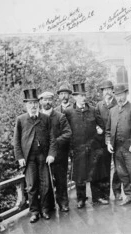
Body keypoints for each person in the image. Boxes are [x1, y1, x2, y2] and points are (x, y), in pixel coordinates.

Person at [13, 88, 57, 223]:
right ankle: (34, 212)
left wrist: (51, 154)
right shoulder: (21, 120)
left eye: (34, 103)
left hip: (44, 157)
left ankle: (45, 209)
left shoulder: (45, 118)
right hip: (29, 158)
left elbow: (52, 138)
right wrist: (20, 157)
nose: (33, 106)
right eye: (30, 103)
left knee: (45, 184)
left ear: (38, 104)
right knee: (31, 185)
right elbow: (16, 140)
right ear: (26, 105)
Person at [64, 83, 105, 208]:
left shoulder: (93, 110)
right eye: (79, 96)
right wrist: (71, 149)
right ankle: (81, 199)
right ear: (75, 97)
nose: (83, 98)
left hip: (93, 148)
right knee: (79, 176)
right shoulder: (69, 112)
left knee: (94, 174)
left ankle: (97, 197)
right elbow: (66, 131)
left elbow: (102, 127)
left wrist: (98, 134)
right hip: (78, 149)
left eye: (84, 95)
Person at [106, 84, 131, 208]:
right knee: (122, 174)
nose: (119, 98)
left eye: (121, 95)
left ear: (126, 94)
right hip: (117, 149)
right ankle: (129, 195)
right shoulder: (112, 111)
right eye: (117, 95)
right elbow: (108, 130)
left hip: (130, 148)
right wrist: (108, 143)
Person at [39, 91, 72, 212]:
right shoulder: (37, 117)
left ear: (52, 101)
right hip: (43, 155)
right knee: (46, 181)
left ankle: (63, 203)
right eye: (45, 100)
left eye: (49, 100)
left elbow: (68, 133)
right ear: (40, 101)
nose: (47, 102)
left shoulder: (60, 116)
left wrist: (54, 143)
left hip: (59, 155)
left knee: (61, 180)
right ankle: (49, 205)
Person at [95, 80, 122, 201]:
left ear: (113, 91)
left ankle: (117, 192)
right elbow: (95, 121)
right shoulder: (99, 105)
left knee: (118, 168)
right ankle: (105, 194)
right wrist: (97, 127)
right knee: (105, 168)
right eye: (104, 90)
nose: (107, 92)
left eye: (109, 89)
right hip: (103, 142)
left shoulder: (118, 104)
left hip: (117, 141)